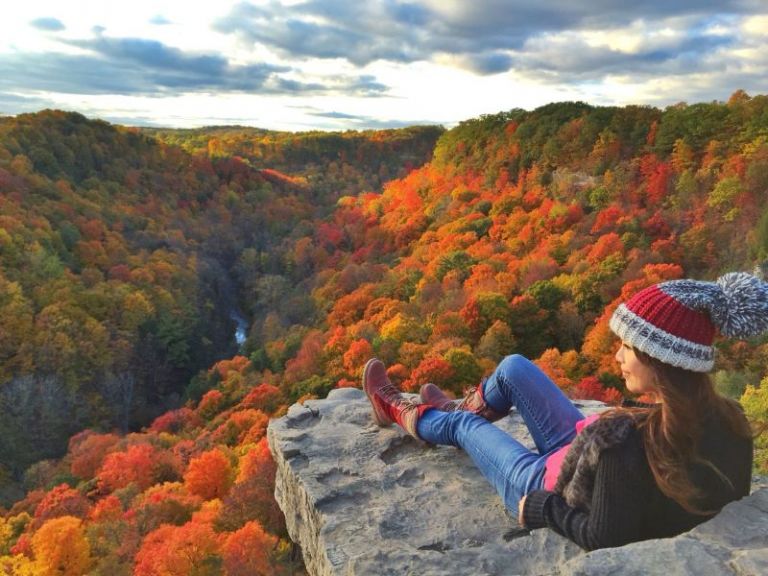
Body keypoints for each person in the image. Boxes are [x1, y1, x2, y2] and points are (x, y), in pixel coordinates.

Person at [362, 272, 765, 550]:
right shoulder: (730, 419)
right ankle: (452, 410)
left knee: (466, 427)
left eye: (628, 347)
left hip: (542, 483)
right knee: (515, 366)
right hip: (578, 455)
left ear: (659, 360)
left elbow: (603, 536)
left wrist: (541, 508)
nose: (617, 355)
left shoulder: (623, 445)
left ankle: (400, 411)